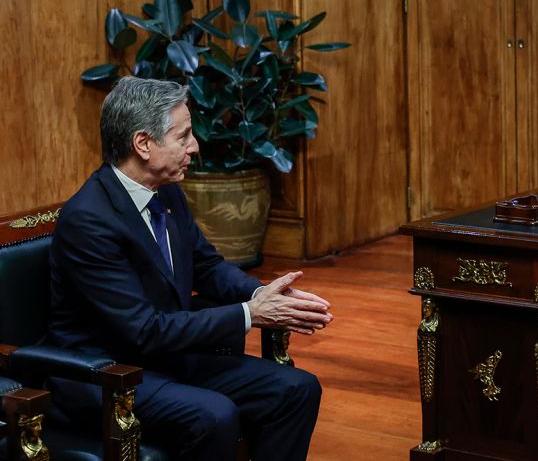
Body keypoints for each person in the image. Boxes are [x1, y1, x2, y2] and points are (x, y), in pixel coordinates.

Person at [47, 77, 332, 460]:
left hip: (168, 356)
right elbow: (144, 330)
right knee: (214, 415)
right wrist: (251, 314)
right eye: (183, 136)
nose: (194, 147)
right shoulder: (89, 220)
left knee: (297, 389)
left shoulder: (166, 192)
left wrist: (260, 295)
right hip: (110, 372)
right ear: (143, 144)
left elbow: (208, 266)